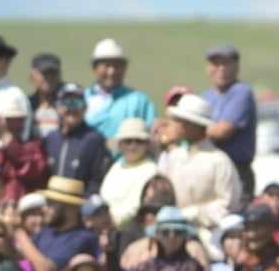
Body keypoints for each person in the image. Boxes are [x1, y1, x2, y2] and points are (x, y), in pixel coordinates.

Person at [160, 94, 244, 231]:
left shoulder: (219, 161)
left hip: (208, 234)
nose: (178, 125)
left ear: (196, 125)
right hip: (173, 232)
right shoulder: (174, 157)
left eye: (183, 122)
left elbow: (228, 205)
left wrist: (193, 214)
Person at [200, 44, 258, 198]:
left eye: (226, 63)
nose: (221, 68)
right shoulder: (206, 96)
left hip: (235, 171)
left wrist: (192, 129)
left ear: (236, 67)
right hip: (209, 170)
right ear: (208, 68)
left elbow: (222, 131)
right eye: (216, 64)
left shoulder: (241, 93)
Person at [81, 38, 157, 144]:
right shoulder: (81, 99)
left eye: (117, 66)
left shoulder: (140, 101)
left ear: (125, 68)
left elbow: (151, 137)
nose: (111, 72)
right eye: (106, 65)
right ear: (95, 68)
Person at [41, 82, 112, 195]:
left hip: (79, 205)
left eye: (77, 103)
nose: (72, 108)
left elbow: (98, 180)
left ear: (85, 108)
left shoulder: (94, 139)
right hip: (52, 203)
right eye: (67, 102)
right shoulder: (50, 139)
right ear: (58, 107)